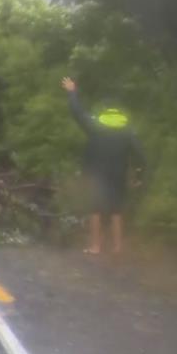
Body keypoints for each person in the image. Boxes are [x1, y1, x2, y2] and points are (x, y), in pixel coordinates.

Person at [61, 77, 145, 254]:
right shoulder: (127, 129)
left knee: (96, 209)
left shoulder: (95, 124)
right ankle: (118, 248)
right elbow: (140, 154)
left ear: (104, 110)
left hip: (97, 174)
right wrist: (139, 175)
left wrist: (72, 92)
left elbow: (77, 112)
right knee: (116, 211)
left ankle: (96, 246)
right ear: (119, 112)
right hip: (118, 174)